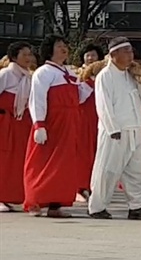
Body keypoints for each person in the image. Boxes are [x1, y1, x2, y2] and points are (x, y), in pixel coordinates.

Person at [86, 38, 141, 220]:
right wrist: (112, 128)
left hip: (136, 128)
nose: (130, 56)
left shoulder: (131, 75)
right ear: (114, 54)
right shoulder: (105, 76)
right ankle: (97, 206)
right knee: (108, 170)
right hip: (115, 131)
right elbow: (103, 105)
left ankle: (137, 206)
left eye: (131, 52)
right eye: (126, 52)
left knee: (137, 171)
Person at [24, 35, 92, 217]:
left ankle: (56, 204)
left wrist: (89, 81)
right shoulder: (43, 72)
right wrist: (39, 124)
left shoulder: (71, 72)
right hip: (51, 122)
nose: (64, 49)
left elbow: (80, 97)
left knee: (64, 165)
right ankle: (34, 201)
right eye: (59, 46)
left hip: (70, 123)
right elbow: (37, 100)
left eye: (65, 46)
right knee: (41, 162)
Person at [0, 42, 35, 212]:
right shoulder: (6, 74)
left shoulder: (29, 77)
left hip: (22, 123)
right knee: (4, 159)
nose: (29, 58)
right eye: (24, 54)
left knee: (18, 160)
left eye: (30, 54)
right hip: (5, 122)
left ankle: (13, 196)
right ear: (14, 57)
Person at [77, 43, 105, 201]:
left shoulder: (105, 75)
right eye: (87, 55)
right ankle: (80, 187)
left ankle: (94, 185)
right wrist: (89, 82)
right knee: (83, 153)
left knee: (97, 153)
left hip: (99, 118)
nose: (90, 58)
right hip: (83, 118)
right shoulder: (77, 74)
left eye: (93, 55)